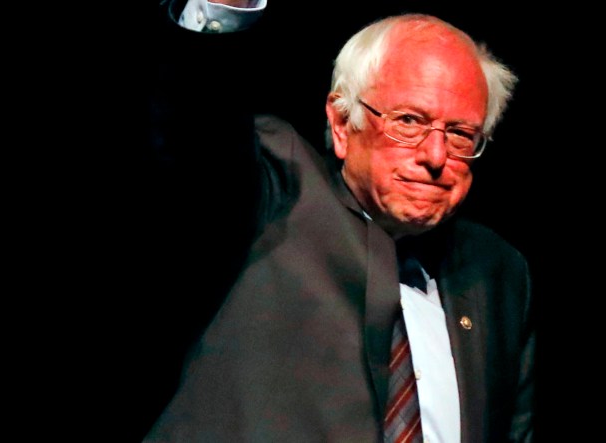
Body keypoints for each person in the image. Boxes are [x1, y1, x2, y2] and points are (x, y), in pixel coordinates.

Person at [140, 1, 535, 441]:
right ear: (344, 123)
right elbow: (196, 128)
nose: (436, 156)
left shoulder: (497, 272)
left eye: (461, 134)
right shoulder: (275, 187)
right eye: (408, 121)